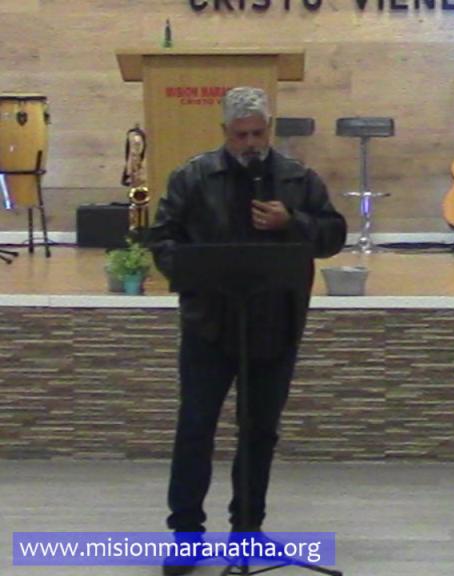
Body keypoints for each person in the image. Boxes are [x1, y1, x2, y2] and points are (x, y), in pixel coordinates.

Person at [148, 86, 346, 575]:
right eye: (241, 135)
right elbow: (164, 239)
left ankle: (247, 531)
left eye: (258, 133)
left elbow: (333, 235)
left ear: (269, 129)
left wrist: (292, 221)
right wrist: (196, 276)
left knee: (259, 432)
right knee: (195, 429)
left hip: (274, 325)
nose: (251, 143)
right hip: (209, 325)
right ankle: (186, 536)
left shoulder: (298, 179)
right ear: (225, 132)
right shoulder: (193, 177)